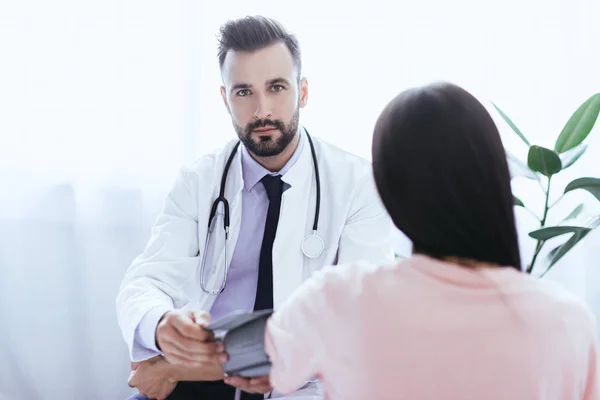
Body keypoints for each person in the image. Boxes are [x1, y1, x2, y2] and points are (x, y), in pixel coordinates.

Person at [218, 82, 598, 399]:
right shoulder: (567, 322)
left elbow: (239, 356)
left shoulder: (341, 300)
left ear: (390, 193)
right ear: (495, 177)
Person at [117, 15, 394, 400]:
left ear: (303, 91)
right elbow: (146, 280)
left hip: (305, 384)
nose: (261, 110)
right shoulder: (199, 181)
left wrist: (170, 366)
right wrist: (161, 324)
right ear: (225, 98)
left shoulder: (359, 184)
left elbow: (361, 319)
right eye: (243, 92)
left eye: (277, 87)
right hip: (202, 379)